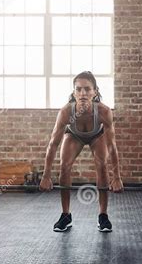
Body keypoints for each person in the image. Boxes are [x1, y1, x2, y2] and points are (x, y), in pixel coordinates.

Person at [40, 71, 124, 232]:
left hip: (96, 136)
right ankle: (65, 215)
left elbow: (112, 145)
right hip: (74, 135)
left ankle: (103, 216)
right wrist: (45, 176)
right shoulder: (65, 112)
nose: (83, 93)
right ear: (74, 92)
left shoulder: (104, 112)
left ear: (95, 92)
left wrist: (117, 178)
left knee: (102, 165)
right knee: (64, 165)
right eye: (78, 89)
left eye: (87, 89)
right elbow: (53, 144)